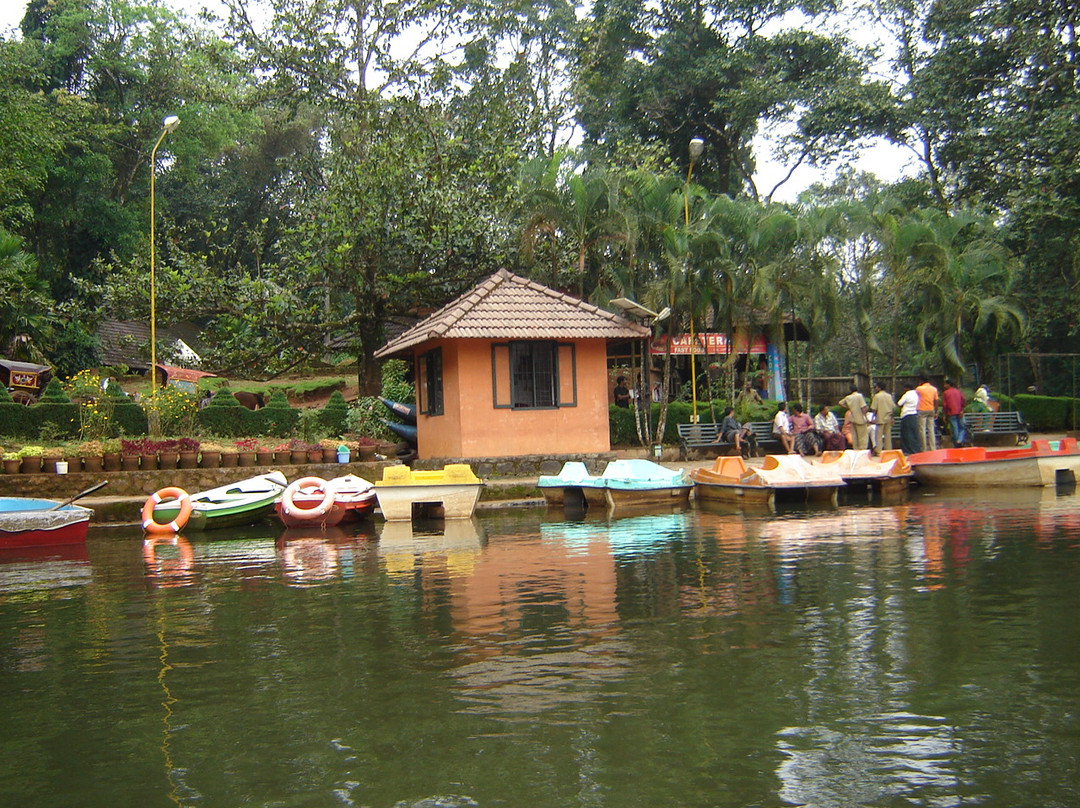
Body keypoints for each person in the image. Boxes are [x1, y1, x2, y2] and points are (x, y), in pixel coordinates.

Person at [838, 384, 870, 450]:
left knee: (854, 436)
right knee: (862, 436)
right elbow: (863, 407)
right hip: (860, 418)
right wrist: (866, 417)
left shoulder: (848, 397)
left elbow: (840, 403)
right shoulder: (859, 396)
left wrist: (849, 407)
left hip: (852, 418)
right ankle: (862, 449)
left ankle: (856, 449)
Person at [942, 379, 969, 447]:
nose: (944, 385)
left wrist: (944, 414)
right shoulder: (958, 392)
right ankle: (959, 440)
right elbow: (963, 401)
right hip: (960, 412)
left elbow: (945, 405)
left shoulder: (946, 393)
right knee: (962, 427)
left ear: (948, 384)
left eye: (945, 384)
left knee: (954, 428)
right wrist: (962, 410)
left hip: (951, 413)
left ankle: (957, 443)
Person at [870, 382, 896, 453]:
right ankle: (888, 450)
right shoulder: (889, 396)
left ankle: (879, 451)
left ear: (879, 388)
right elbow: (892, 407)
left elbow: (874, 409)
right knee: (888, 435)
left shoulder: (877, 396)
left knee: (878, 436)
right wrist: (892, 417)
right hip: (888, 418)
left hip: (880, 418)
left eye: (876, 387)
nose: (875, 388)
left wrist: (873, 417)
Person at [915, 375, 939, 451]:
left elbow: (915, 398)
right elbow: (936, 401)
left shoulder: (919, 389)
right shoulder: (934, 389)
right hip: (931, 409)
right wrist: (936, 411)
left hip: (922, 409)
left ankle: (924, 448)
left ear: (921, 381)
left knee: (922, 429)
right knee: (931, 429)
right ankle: (933, 448)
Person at [897, 384, 921, 454]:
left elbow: (899, 404)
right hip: (914, 414)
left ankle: (907, 450)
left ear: (907, 388)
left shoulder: (906, 395)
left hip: (906, 415)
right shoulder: (917, 395)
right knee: (914, 433)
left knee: (906, 433)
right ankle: (915, 449)